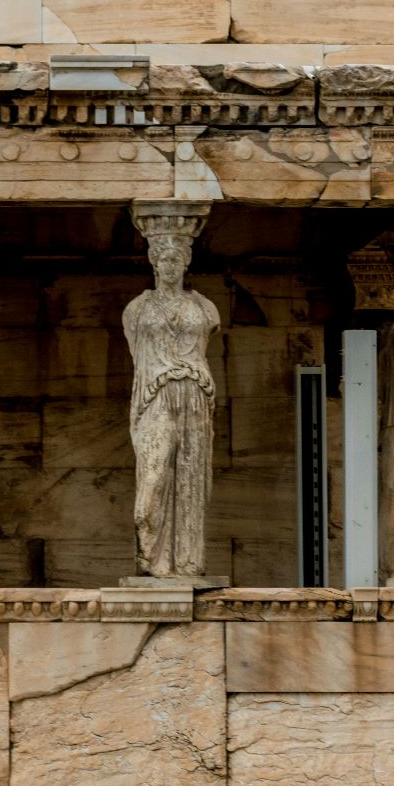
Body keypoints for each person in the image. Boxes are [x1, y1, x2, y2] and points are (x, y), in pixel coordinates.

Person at [123, 233, 221, 579]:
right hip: (156, 394)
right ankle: (152, 560)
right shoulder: (137, 309)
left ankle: (187, 563)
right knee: (153, 478)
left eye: (175, 260)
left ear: (185, 263)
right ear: (154, 262)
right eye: (163, 259)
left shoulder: (205, 308)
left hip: (195, 392)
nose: (169, 266)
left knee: (191, 478)